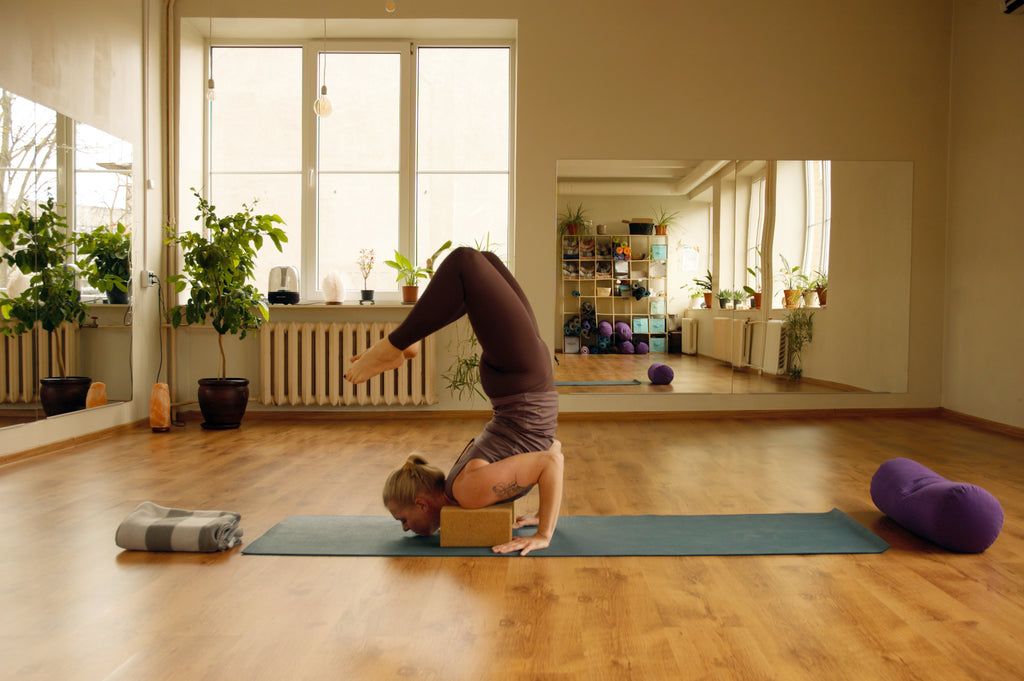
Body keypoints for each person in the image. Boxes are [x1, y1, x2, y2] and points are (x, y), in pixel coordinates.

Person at [344, 247, 562, 556]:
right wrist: (543, 520)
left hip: (523, 377)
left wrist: (544, 533)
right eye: (402, 522)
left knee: (470, 262)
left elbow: (550, 459)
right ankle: (405, 341)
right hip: (522, 379)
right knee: (477, 265)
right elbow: (551, 452)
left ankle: (395, 344)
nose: (405, 528)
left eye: (403, 520)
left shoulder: (467, 491)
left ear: (421, 502)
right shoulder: (464, 488)